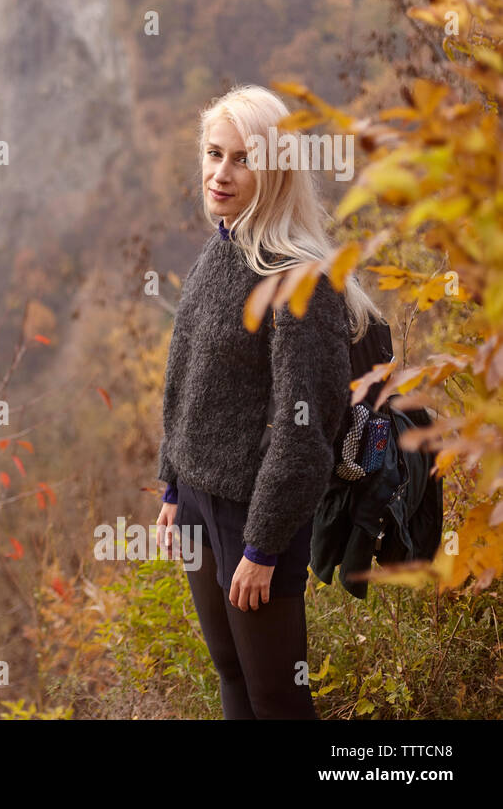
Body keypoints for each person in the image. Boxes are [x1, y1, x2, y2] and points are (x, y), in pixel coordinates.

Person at [154, 84, 381, 719]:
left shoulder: (299, 283)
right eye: (212, 154)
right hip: (201, 498)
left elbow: (304, 433)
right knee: (231, 673)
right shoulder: (225, 244)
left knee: (278, 697)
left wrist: (262, 547)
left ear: (275, 170)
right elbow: (187, 373)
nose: (219, 174)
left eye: (241, 159)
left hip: (255, 513)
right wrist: (173, 485)